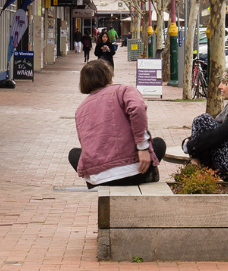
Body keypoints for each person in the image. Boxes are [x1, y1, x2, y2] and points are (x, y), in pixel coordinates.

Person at [69, 57, 166, 186]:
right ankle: (147, 173)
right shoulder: (123, 90)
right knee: (159, 143)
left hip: (99, 179)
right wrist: (142, 147)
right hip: (134, 172)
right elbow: (137, 108)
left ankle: (96, 178)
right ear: (108, 75)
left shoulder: (80, 109)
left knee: (74, 154)